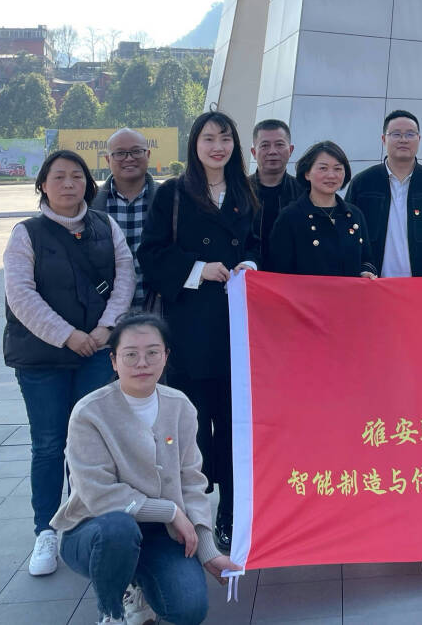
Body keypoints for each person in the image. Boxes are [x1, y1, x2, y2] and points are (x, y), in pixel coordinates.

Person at [54, 314, 240, 625]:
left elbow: (192, 481)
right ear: (114, 361)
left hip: (161, 532)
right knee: (120, 530)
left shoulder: (180, 405)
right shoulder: (89, 412)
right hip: (97, 529)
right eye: (130, 354)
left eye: (153, 352)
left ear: (166, 356)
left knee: (189, 609)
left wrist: (208, 550)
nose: (142, 363)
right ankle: (112, 609)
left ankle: (137, 578)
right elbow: (99, 495)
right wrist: (170, 511)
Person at [3, 150, 136, 577]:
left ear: (87, 184)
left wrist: (105, 329)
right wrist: (68, 335)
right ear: (43, 184)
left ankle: (87, 521)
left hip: (96, 352)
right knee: (48, 443)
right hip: (42, 358)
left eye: (76, 176)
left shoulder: (105, 226)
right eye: (58, 176)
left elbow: (124, 278)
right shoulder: (26, 234)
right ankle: (45, 529)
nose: (67, 184)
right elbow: (21, 295)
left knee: (92, 442)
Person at [138, 111, 258, 554]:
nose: (217, 147)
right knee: (189, 425)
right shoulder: (172, 193)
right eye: (209, 139)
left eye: (225, 138)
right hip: (190, 327)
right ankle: (190, 512)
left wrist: (250, 264)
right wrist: (198, 270)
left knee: (232, 424)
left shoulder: (246, 193)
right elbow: (151, 254)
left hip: (237, 327)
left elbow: (258, 244)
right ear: (195, 144)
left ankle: (230, 512)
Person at [347, 110, 422, 277]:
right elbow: (350, 234)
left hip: (421, 283)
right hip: (373, 281)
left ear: (419, 139)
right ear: (383, 139)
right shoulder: (363, 183)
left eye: (410, 134)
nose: (403, 140)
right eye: (396, 134)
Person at [265, 141, 378, 278]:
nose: (331, 175)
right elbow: (278, 272)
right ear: (307, 173)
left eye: (337, 169)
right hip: (305, 292)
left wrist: (365, 272)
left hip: (350, 292)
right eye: (323, 168)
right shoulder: (290, 216)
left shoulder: (355, 214)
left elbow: (367, 259)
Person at [92, 128, 155, 310]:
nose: (129, 158)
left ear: (148, 154)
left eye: (136, 151)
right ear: (107, 159)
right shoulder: (88, 204)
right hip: (105, 314)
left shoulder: (171, 200)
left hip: (158, 311)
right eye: (119, 153)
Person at [249, 119, 303, 267]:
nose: (272, 151)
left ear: (290, 150)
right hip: (246, 273)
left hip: (291, 276)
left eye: (279, 144)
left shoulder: (305, 193)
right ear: (254, 152)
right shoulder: (238, 191)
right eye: (265, 145)